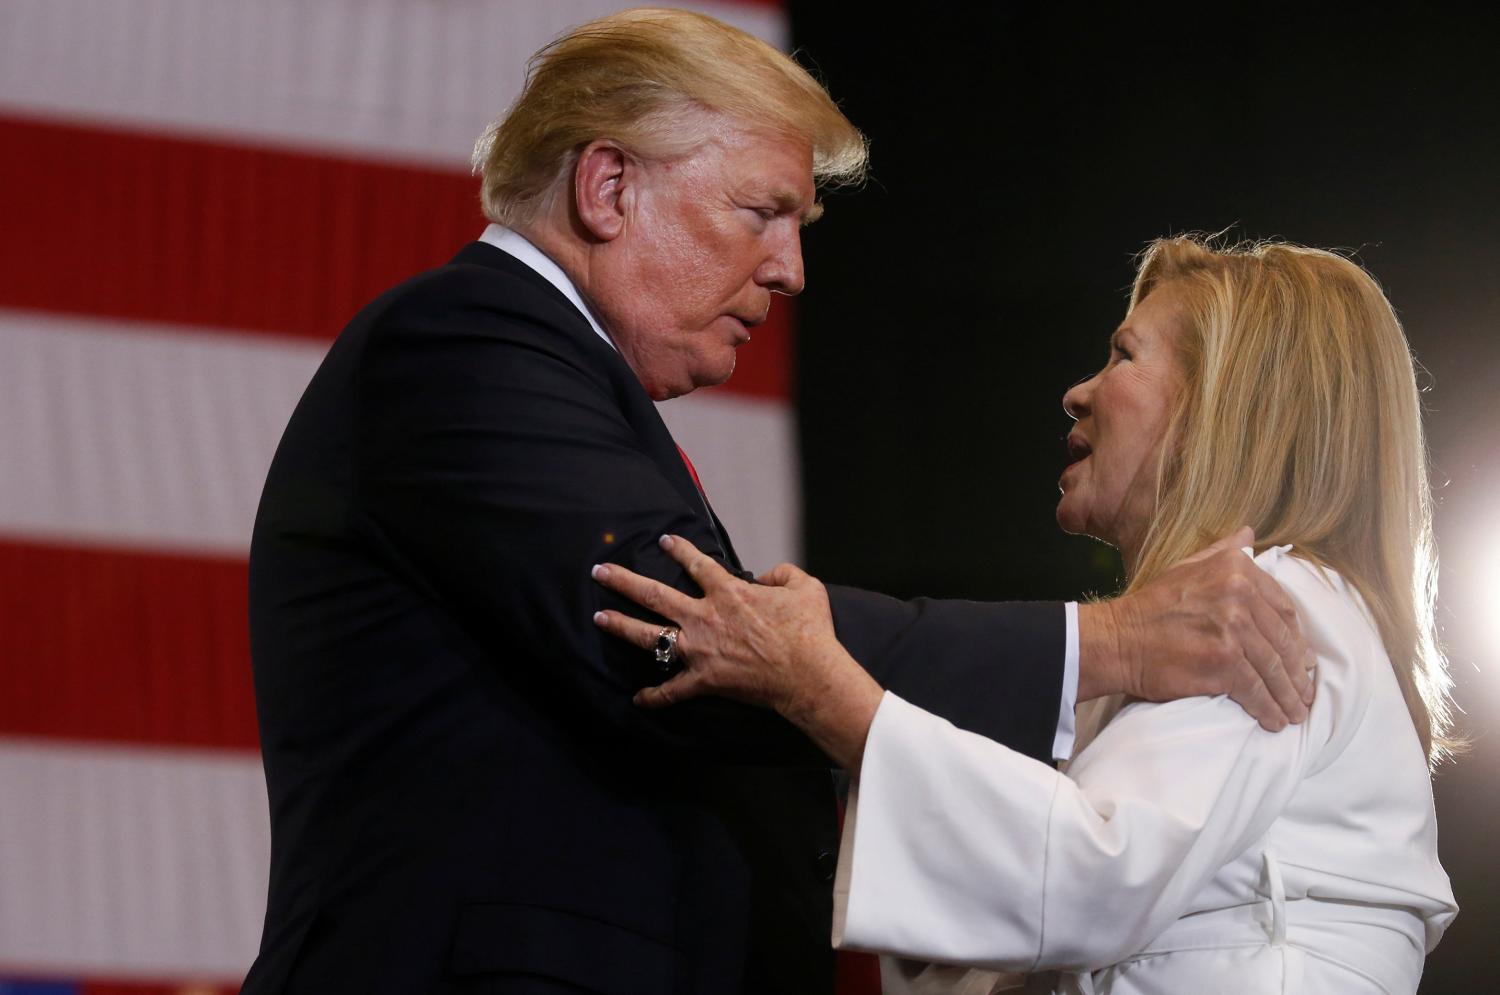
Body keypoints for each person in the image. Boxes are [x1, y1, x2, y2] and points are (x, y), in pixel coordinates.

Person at [243, 9, 1313, 993]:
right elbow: (689, 632)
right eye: (763, 212)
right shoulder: (461, 344)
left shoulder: (555, 375)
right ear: (607, 187)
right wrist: (1106, 644)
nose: (792, 269)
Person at [592, 237, 1459, 993]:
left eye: (1122, 356)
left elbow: (1090, 876)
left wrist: (826, 694)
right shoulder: (1261, 617)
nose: (1077, 391)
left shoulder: (1269, 610)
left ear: (1223, 408)